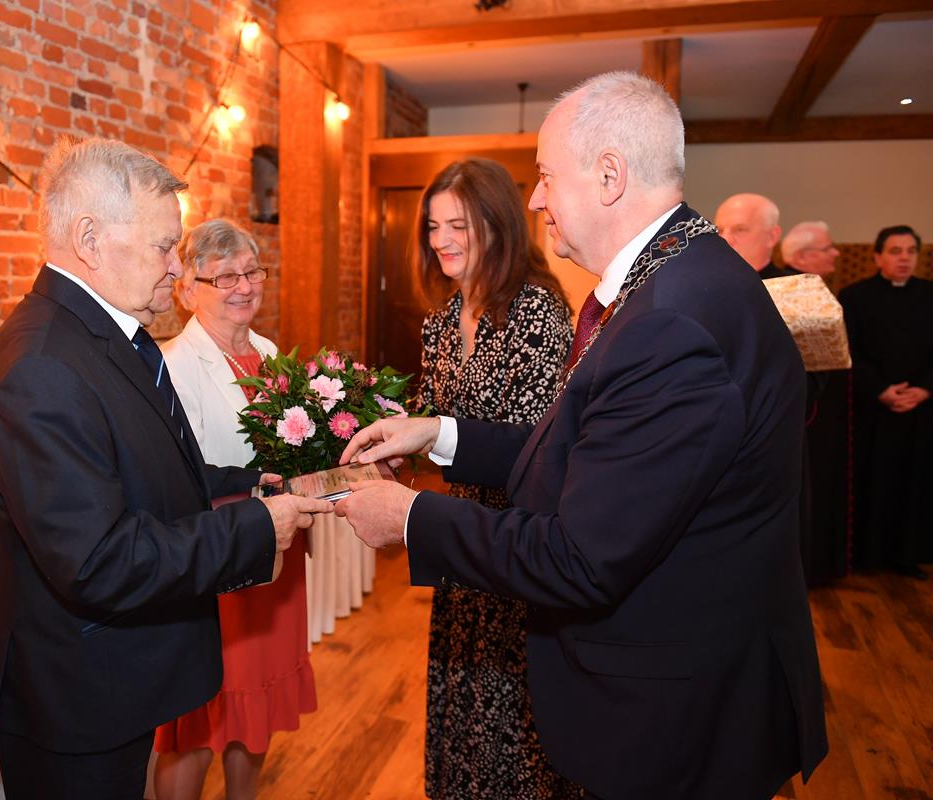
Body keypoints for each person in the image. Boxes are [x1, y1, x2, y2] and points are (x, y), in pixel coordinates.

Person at [335, 71, 828, 799]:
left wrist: (410, 517)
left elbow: (582, 556)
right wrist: (436, 433)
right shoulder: (678, 277)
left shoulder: (671, 320)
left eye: (544, 176)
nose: (535, 199)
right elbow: (586, 454)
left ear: (608, 176)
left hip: (676, 713)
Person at [0, 138, 331, 799]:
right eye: (165, 246)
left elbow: (150, 471)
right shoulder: (44, 366)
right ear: (90, 240)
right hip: (76, 703)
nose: (176, 266)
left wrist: (248, 484)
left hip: (110, 683)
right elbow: (99, 561)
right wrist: (255, 527)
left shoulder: (105, 337)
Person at [412, 158, 580, 799]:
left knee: (512, 704)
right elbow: (428, 421)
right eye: (433, 227)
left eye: (458, 225)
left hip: (517, 535)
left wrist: (425, 435)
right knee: (465, 693)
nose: (442, 240)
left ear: (499, 224)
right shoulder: (439, 320)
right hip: (460, 531)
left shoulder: (535, 311)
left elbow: (536, 448)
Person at [154, 219, 317, 799]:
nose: (244, 287)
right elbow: (182, 477)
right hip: (217, 557)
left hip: (276, 552)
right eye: (225, 276)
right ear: (187, 290)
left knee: (259, 705)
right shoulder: (173, 365)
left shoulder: (269, 353)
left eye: (252, 272)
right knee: (200, 719)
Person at [839, 225, 933, 579]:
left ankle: (908, 553)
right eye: (895, 251)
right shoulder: (854, 296)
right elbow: (848, 350)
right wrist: (880, 390)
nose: (904, 258)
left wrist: (925, 390)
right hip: (873, 409)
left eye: (911, 251)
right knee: (872, 480)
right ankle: (866, 554)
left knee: (915, 483)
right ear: (878, 257)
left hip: (922, 411)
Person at [779, 220, 851, 584]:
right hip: (804, 413)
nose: (836, 253)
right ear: (803, 256)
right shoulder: (791, 290)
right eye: (827, 248)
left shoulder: (814, 288)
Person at [714, 192, 785, 276]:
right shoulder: (705, 281)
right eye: (719, 231)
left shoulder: (793, 283)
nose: (725, 239)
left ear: (772, 236)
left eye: (740, 229)